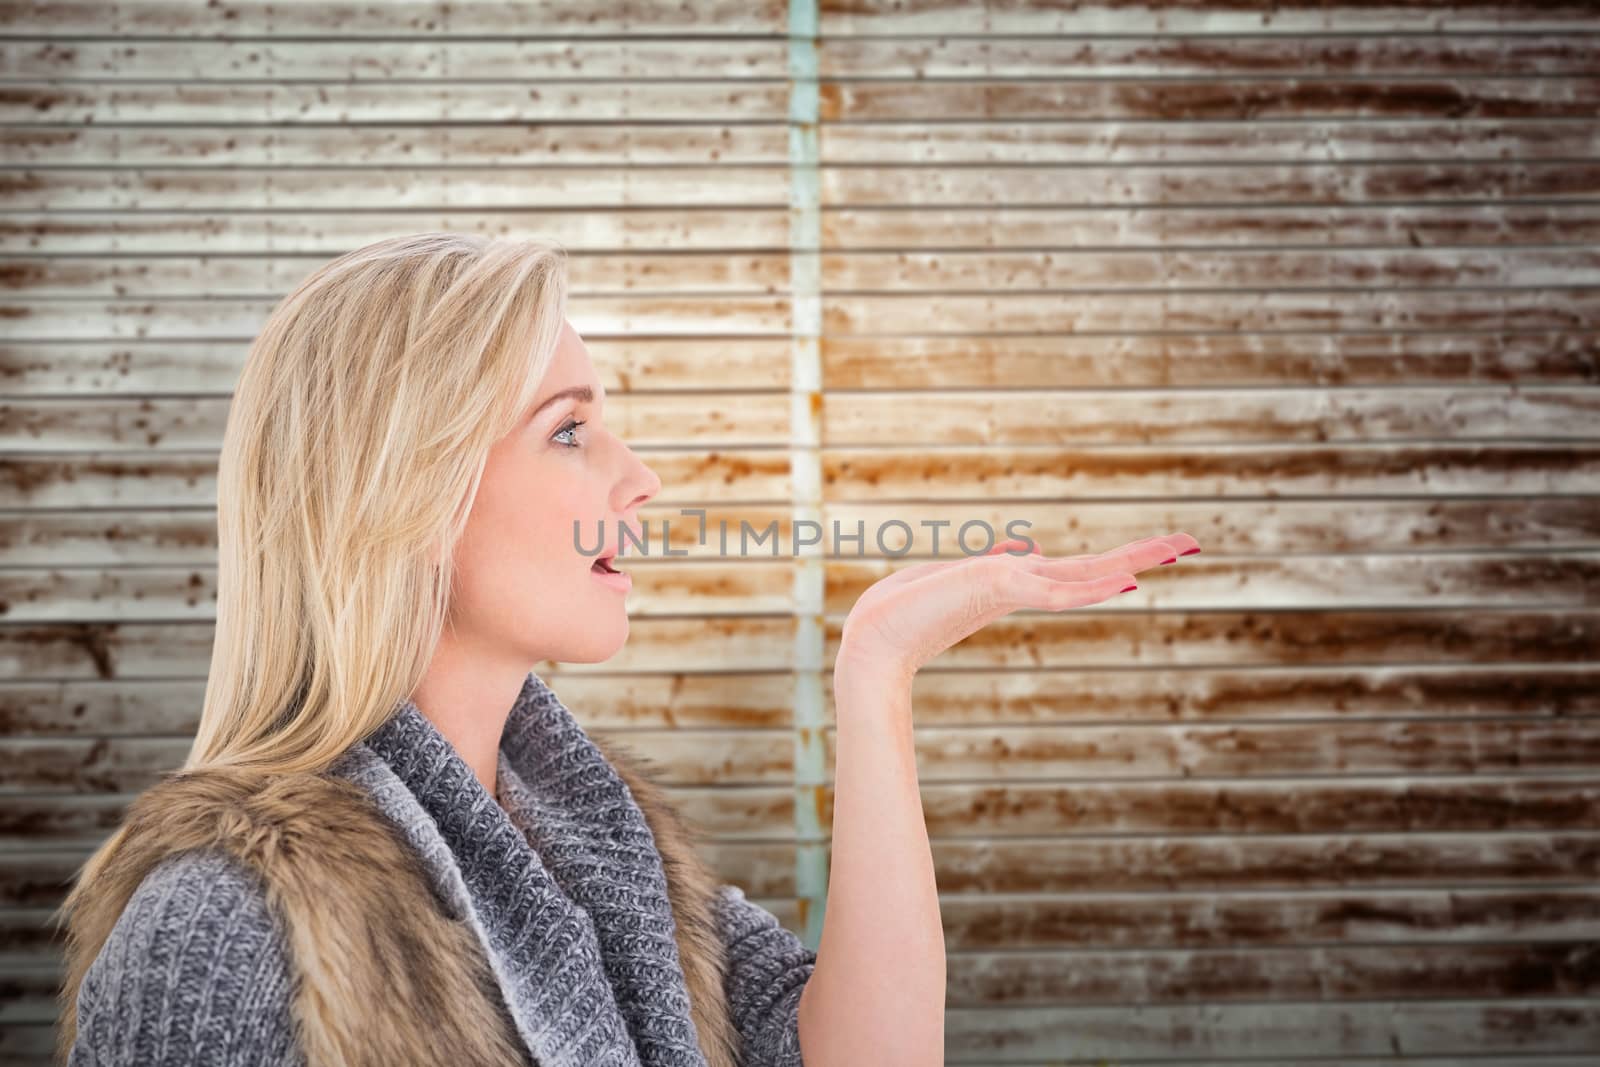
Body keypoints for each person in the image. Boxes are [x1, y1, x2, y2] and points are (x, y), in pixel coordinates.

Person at [51, 233, 1199, 1066]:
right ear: (407, 492)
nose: (637, 476)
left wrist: (877, 674)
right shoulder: (228, 918)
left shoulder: (604, 853)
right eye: (569, 428)